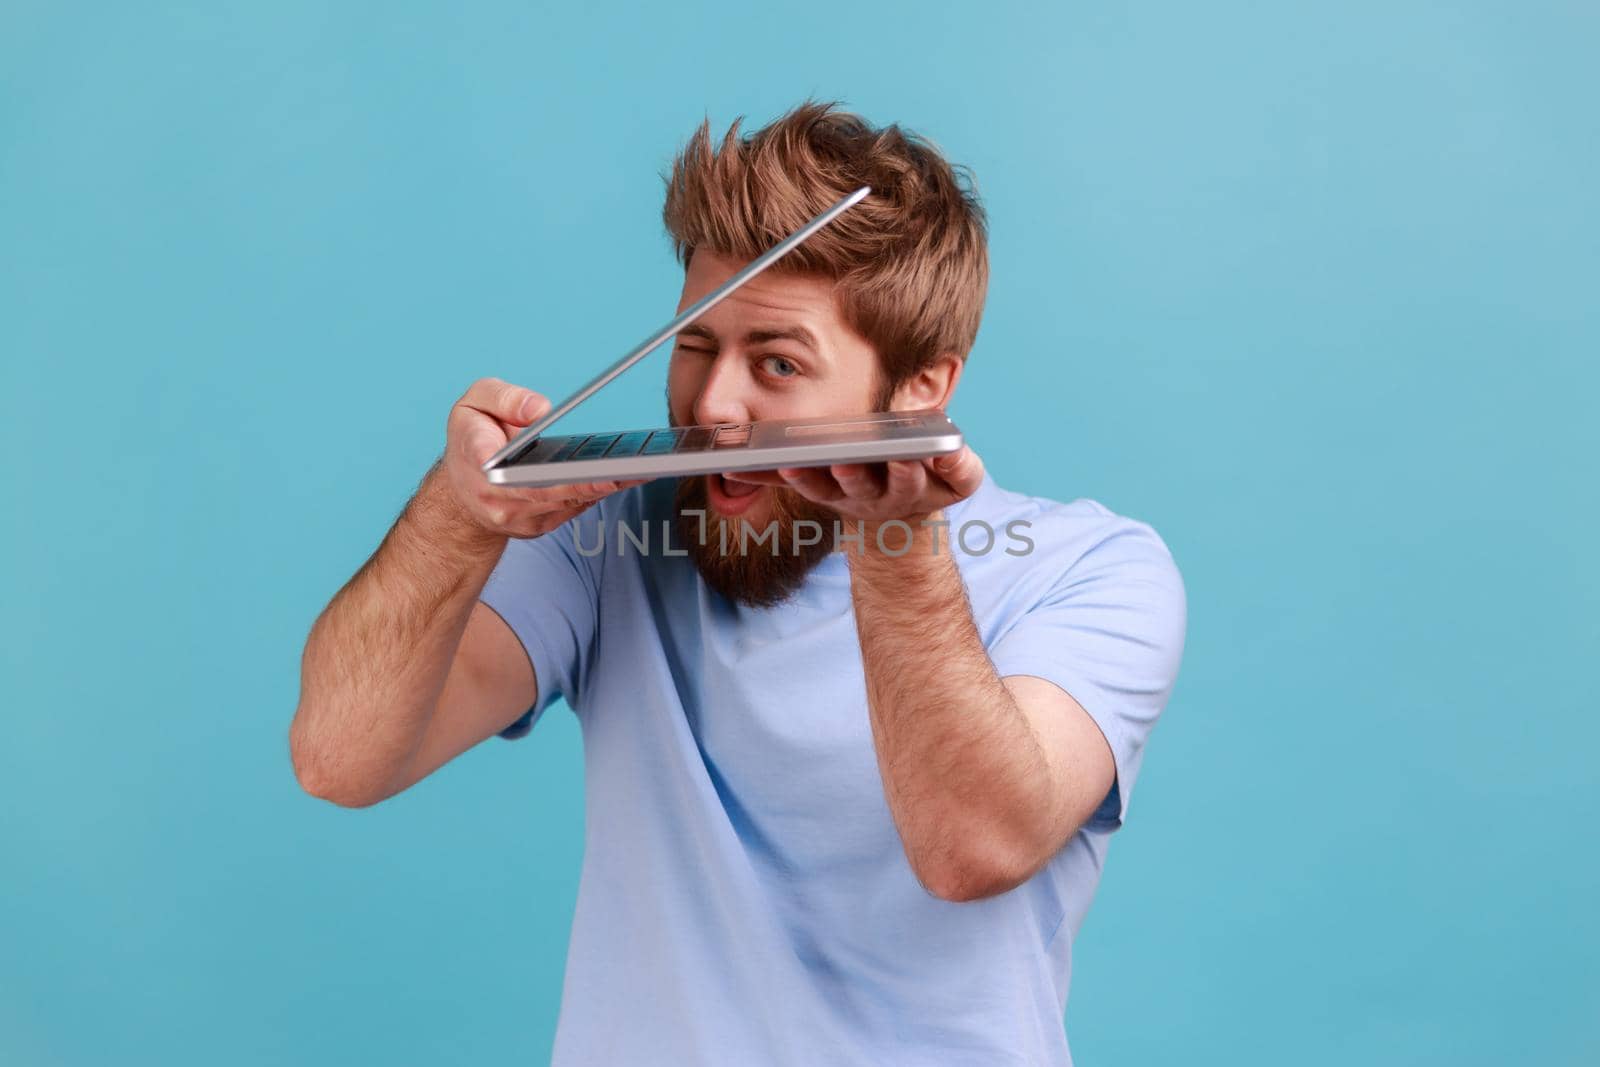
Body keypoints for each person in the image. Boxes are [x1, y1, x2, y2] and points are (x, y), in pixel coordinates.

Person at [290, 101, 1187, 1066]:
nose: (714, 406)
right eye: (695, 345)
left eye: (778, 363)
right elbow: (340, 758)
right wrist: (459, 514)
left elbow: (974, 846)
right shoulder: (606, 534)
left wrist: (892, 546)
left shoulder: (1091, 571)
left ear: (922, 388)